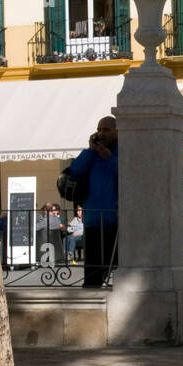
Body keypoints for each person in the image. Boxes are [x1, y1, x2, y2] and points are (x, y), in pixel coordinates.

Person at [66, 116, 118, 286]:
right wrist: (90, 150)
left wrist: (109, 157)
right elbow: (75, 171)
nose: (101, 133)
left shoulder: (123, 151)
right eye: (99, 129)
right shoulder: (91, 154)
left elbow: (128, 174)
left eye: (106, 130)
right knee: (92, 275)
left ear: (117, 131)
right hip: (93, 220)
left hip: (115, 221)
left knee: (117, 269)